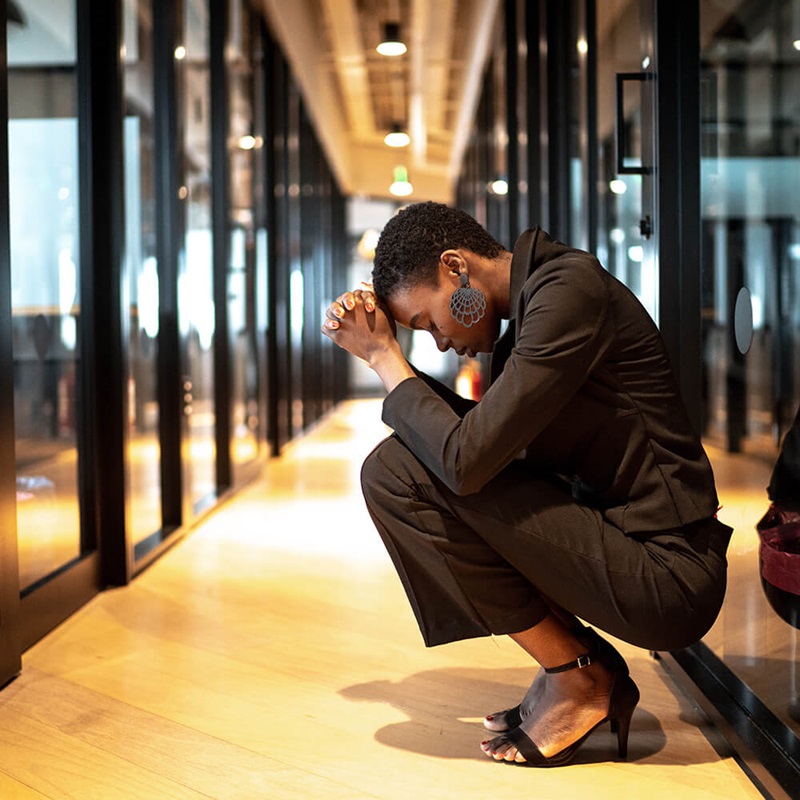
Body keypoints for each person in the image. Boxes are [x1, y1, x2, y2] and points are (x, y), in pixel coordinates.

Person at [321, 202, 732, 767]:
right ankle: (575, 666)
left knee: (399, 472)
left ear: (455, 268)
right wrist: (386, 350)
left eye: (427, 322)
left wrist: (385, 359)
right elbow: (475, 450)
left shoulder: (568, 295)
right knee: (395, 469)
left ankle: (579, 677)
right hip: (620, 545)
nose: (439, 342)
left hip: (669, 573)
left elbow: (464, 462)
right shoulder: (534, 312)